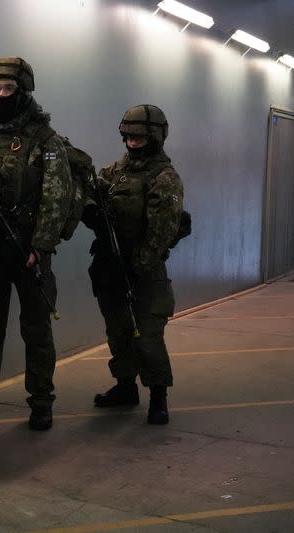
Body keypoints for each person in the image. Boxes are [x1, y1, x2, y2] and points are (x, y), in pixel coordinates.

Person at [0, 56, 74, 430]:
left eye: (8, 88)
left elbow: (57, 196)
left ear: (23, 92)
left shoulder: (45, 139)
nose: (1, 94)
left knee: (36, 327)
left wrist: (39, 246)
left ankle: (41, 400)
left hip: (27, 251)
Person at [81, 104, 186, 425]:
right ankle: (125, 386)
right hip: (111, 265)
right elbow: (91, 191)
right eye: (128, 134)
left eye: (140, 135)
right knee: (118, 332)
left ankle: (158, 395)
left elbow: (162, 229)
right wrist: (91, 211)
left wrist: (138, 265)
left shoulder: (164, 177)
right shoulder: (115, 171)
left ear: (155, 136)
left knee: (148, 335)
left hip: (144, 269)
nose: (133, 140)